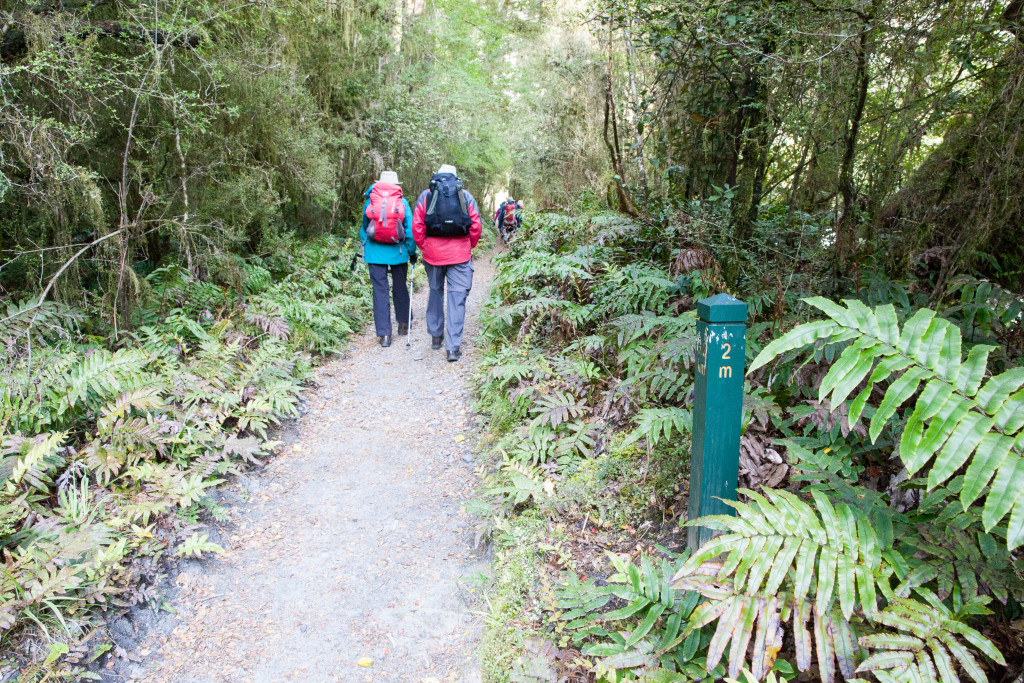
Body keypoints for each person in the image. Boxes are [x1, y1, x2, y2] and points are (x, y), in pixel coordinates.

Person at [411, 164, 482, 362]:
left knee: (435, 291)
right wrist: (469, 246)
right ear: (455, 177)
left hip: (432, 253)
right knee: (456, 298)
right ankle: (452, 347)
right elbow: (475, 225)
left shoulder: (427, 194)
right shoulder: (464, 195)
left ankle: (435, 336)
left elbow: (416, 225)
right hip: (459, 254)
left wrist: (424, 245)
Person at [360, 170, 417, 348]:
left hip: (375, 253)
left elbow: (364, 227)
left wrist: (367, 245)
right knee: (400, 286)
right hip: (397, 252)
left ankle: (385, 335)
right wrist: (411, 251)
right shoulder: (402, 202)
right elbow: (409, 230)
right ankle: (403, 324)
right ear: (396, 186)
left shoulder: (370, 200)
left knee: (380, 291)